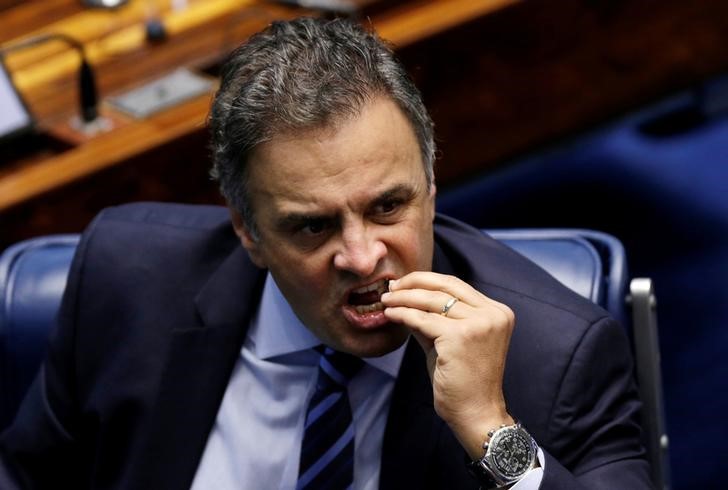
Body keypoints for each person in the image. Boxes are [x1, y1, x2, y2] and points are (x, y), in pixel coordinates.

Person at [0, 17, 651, 489]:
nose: (364, 257)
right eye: (313, 227)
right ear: (249, 232)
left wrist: (493, 431)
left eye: (388, 207)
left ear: (430, 187)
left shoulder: (557, 356)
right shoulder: (127, 276)